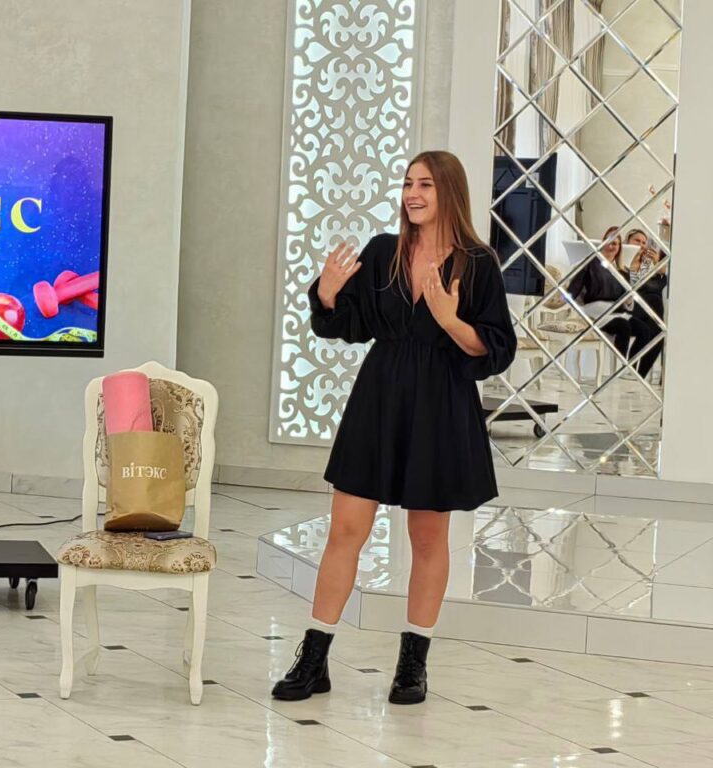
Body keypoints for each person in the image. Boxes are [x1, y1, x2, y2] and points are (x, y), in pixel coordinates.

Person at [271, 151, 516, 706]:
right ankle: (313, 659)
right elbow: (349, 324)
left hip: (441, 405)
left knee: (427, 539)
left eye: (424, 184)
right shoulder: (384, 251)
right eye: (408, 183)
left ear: (449, 191)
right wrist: (327, 293)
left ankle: (413, 665)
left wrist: (450, 319)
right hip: (379, 398)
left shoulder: (478, 264)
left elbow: (496, 348)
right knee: (345, 530)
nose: (412, 194)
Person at [567, 227, 636, 363]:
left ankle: (634, 369)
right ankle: (621, 366)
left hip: (617, 311)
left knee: (644, 330)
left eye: (615, 243)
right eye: (608, 242)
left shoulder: (623, 272)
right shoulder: (590, 263)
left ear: (619, 248)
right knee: (623, 326)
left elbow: (626, 301)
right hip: (596, 311)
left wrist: (629, 301)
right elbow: (572, 290)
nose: (611, 246)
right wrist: (568, 307)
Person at [623, 229, 667, 380]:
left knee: (658, 334)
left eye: (644, 242)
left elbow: (658, 286)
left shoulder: (647, 265)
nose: (641, 245)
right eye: (637, 241)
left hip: (644, 313)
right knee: (654, 300)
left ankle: (638, 374)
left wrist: (658, 267)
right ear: (627, 242)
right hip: (626, 309)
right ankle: (633, 370)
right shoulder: (621, 261)